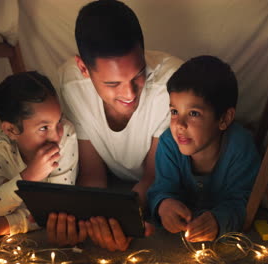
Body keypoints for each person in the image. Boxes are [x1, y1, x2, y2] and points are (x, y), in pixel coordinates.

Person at [50, 0, 182, 251]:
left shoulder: (171, 83)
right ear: (83, 68)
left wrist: (123, 218)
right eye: (112, 84)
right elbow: (92, 173)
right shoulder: (70, 84)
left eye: (138, 75)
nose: (129, 93)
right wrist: (94, 219)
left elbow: (155, 176)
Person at [0, 71, 85, 245]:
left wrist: (3, 224)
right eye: (44, 127)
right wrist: (28, 177)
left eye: (58, 121)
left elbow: (57, 210)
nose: (56, 136)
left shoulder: (66, 136)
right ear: (10, 130)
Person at [147, 56, 260, 242]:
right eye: (174, 112)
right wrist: (164, 205)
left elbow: (245, 200)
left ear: (224, 119)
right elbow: (161, 188)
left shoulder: (241, 146)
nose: (180, 125)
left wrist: (218, 220)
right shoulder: (168, 143)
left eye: (193, 113)